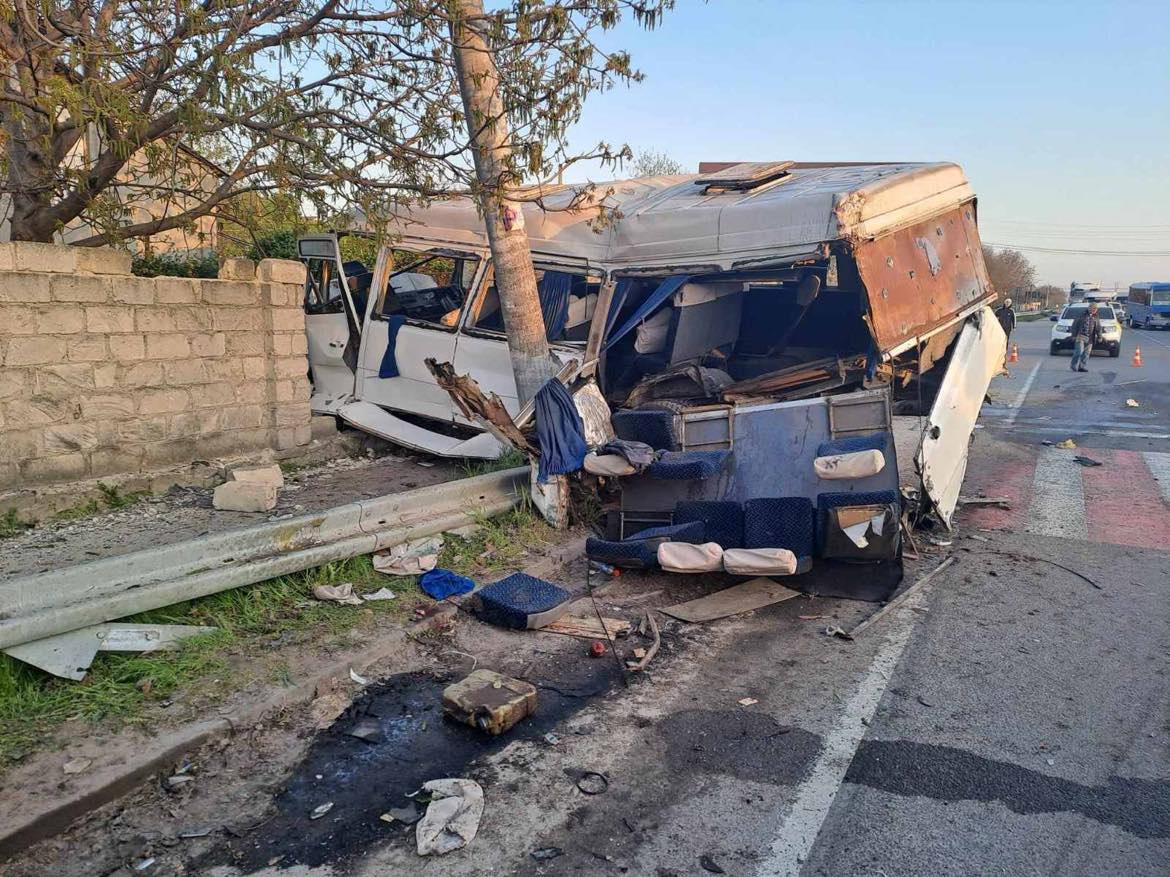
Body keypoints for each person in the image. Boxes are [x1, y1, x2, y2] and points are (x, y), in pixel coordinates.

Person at [1069, 302, 1102, 372]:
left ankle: (1081, 367)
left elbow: (1098, 328)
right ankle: (1073, 365)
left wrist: (1099, 337)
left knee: (1086, 354)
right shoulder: (1082, 315)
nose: (1094, 310)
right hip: (1080, 336)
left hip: (1090, 338)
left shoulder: (1096, 317)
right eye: (1093, 308)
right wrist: (1073, 335)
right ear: (1089, 308)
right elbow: (1075, 325)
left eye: (1095, 309)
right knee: (1079, 352)